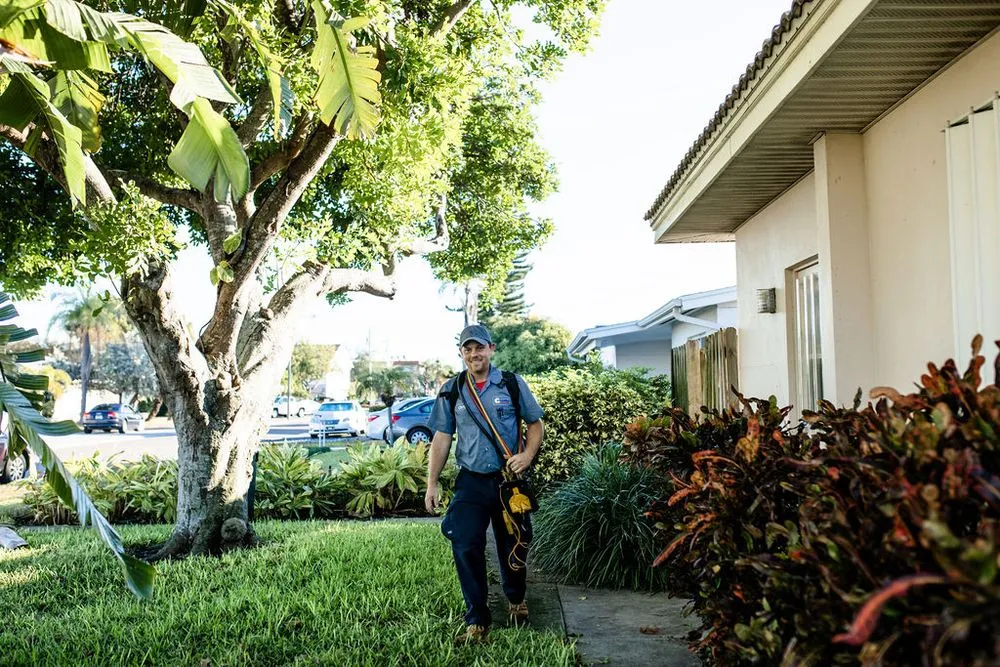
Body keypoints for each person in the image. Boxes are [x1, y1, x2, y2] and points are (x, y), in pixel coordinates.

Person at [424, 324, 545, 645]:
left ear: (491, 348)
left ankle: (516, 598)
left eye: (480, 348)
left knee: (514, 543)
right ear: (461, 353)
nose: (474, 354)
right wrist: (431, 483)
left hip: (509, 483)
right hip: (471, 482)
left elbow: (535, 423)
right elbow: (441, 437)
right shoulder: (452, 390)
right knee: (464, 542)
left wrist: (527, 455)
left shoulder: (511, 384)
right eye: (468, 349)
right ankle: (477, 616)